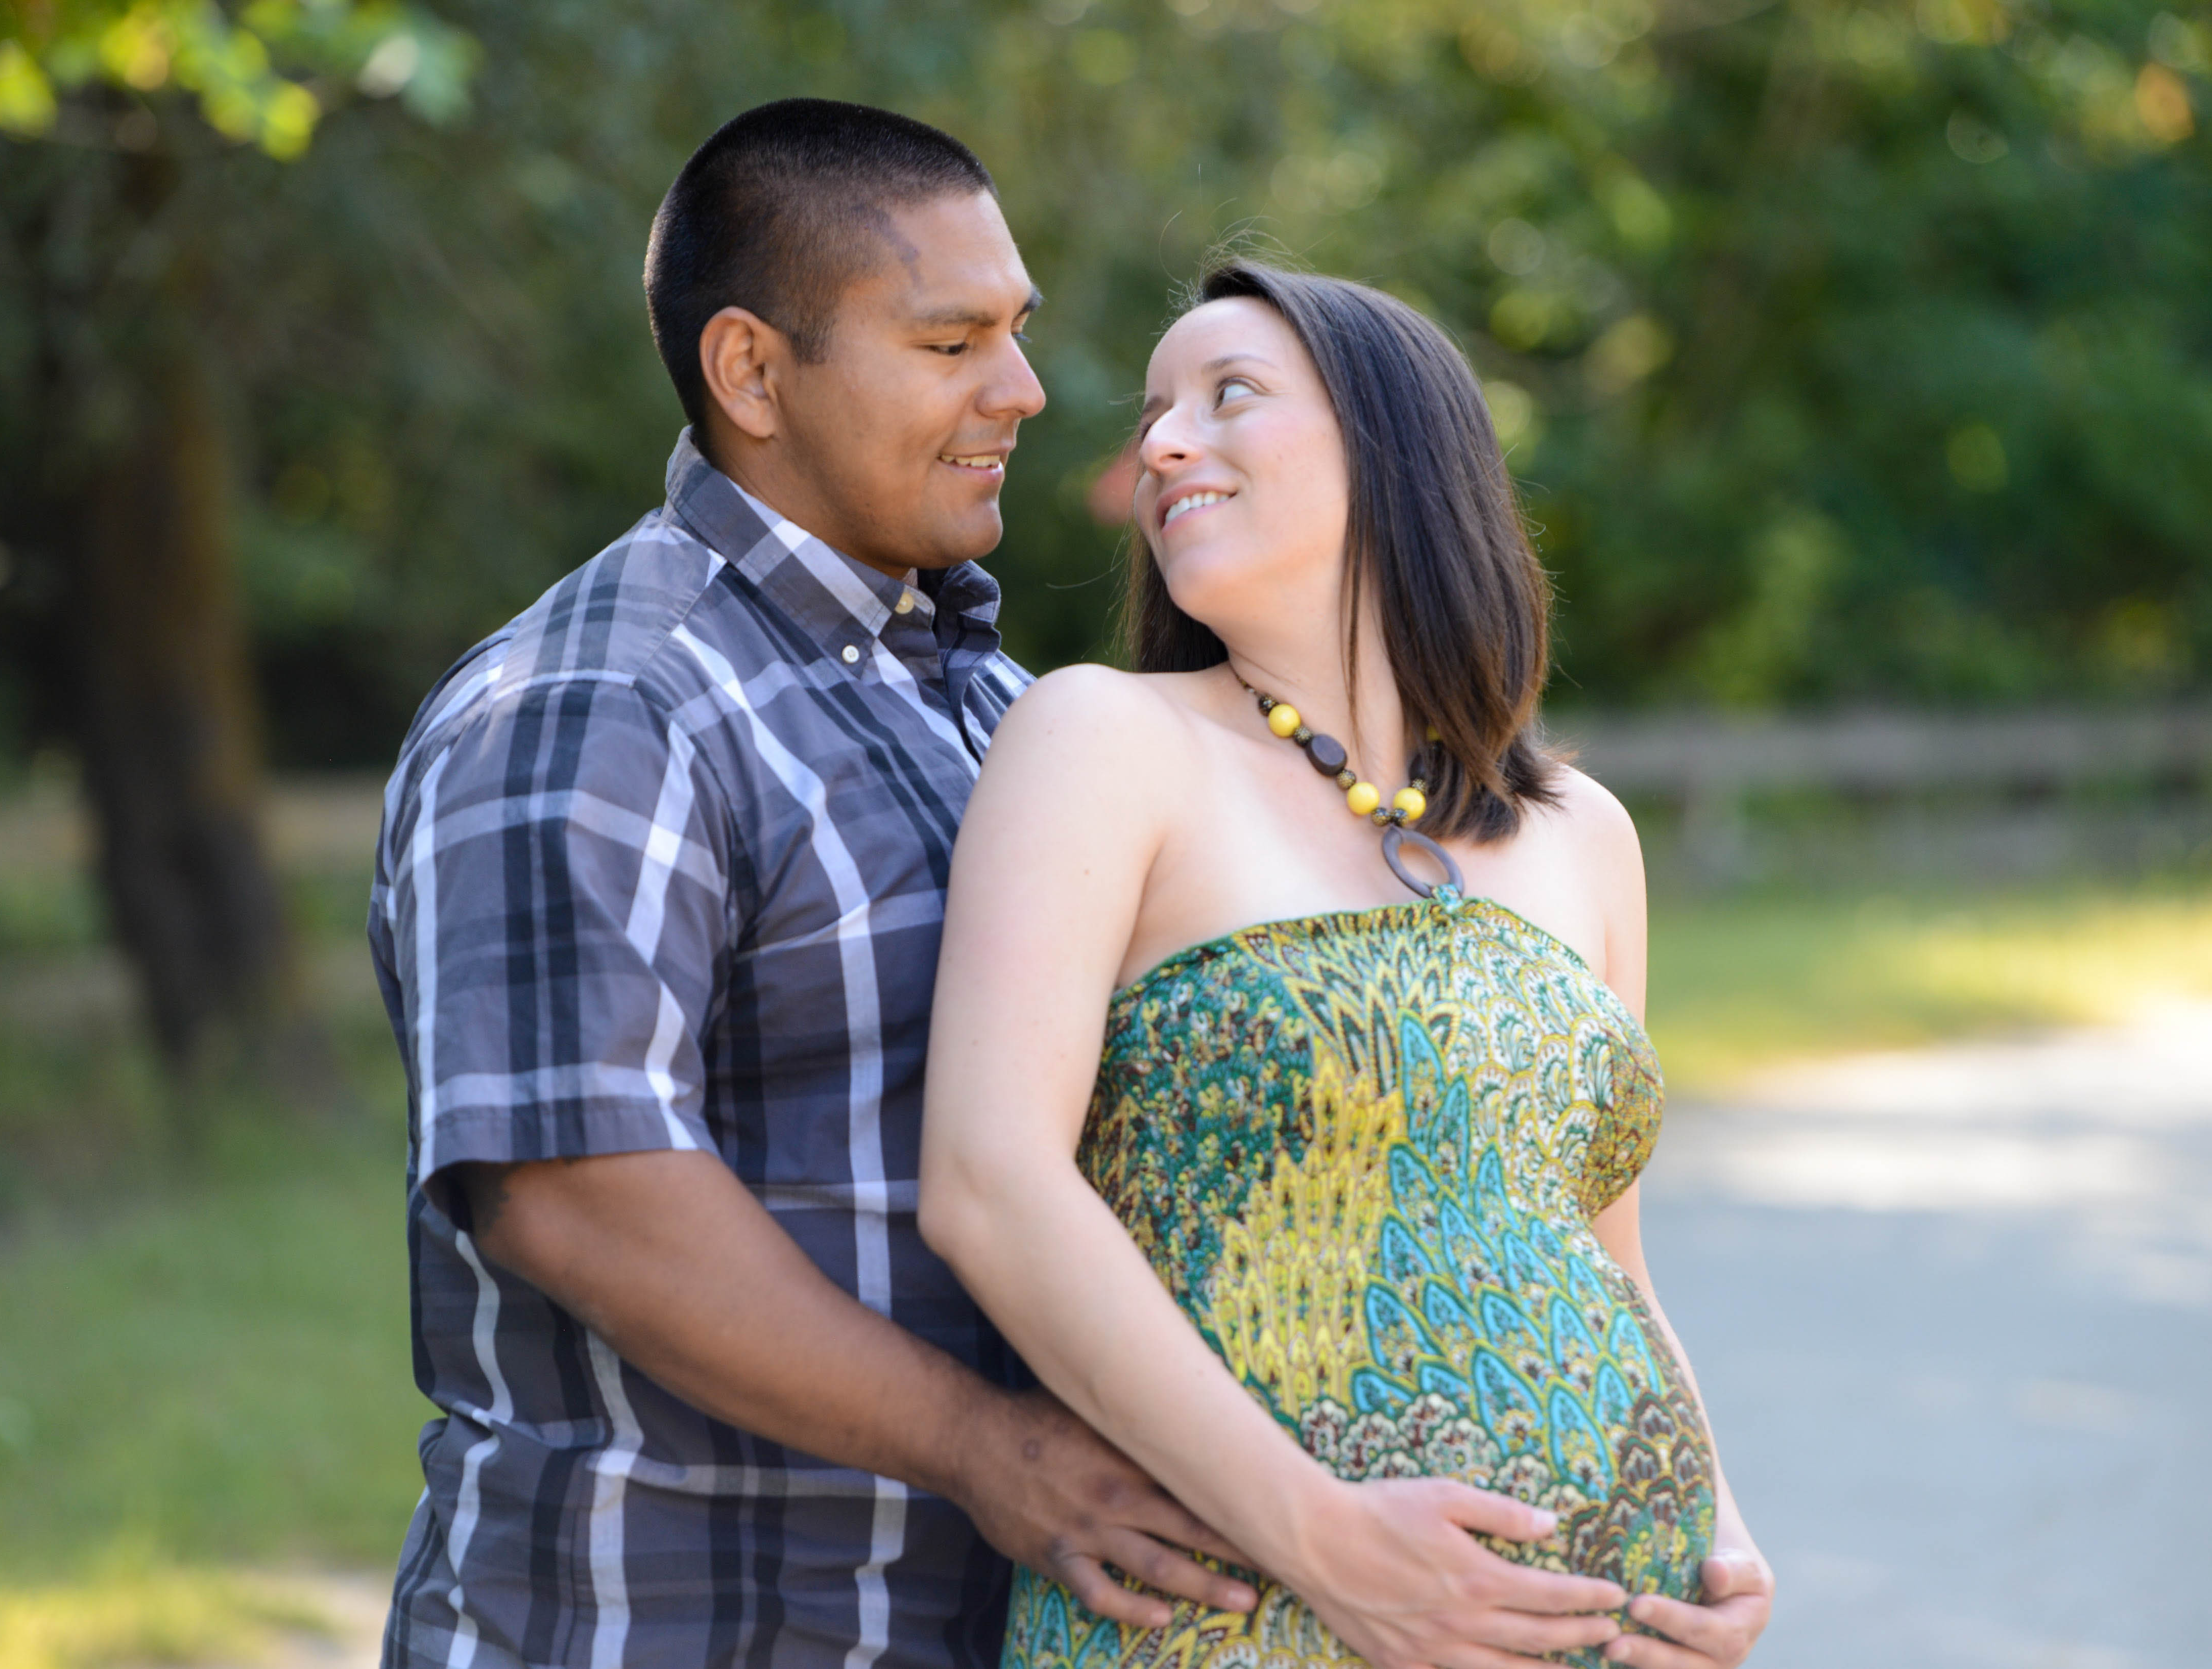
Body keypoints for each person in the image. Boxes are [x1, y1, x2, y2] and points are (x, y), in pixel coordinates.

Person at [367, 100, 1255, 1668]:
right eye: (950, 341)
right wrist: (992, 1450)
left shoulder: (999, 707)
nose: (1026, 390)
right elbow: (583, 1195)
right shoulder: (600, 708)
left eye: (1021, 332)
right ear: (752, 372)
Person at [919, 261, 1774, 1669]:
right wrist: (1323, 1539)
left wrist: (1713, 1522)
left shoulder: (1585, 835)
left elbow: (1599, 1251)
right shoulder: (1106, 742)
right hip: (1237, 1612)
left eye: (1229, 393)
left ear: (1396, 449)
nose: (1161, 444)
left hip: (1585, 1633)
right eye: (1154, 417)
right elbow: (988, 1184)